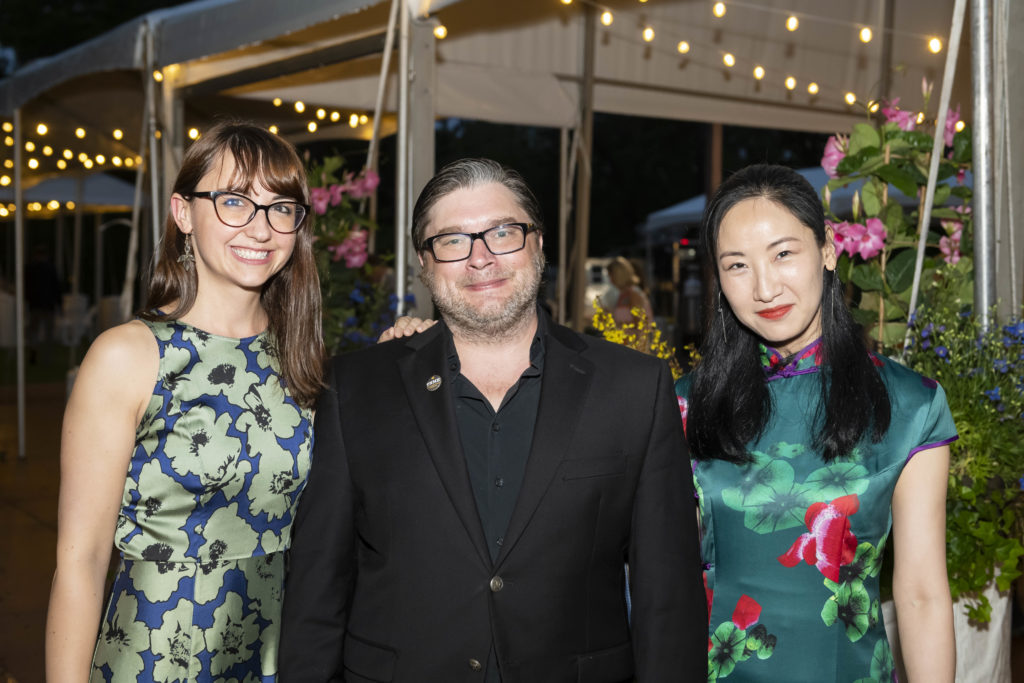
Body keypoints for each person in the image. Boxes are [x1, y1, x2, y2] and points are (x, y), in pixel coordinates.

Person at [279, 158, 706, 682]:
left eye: (503, 232)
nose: (481, 258)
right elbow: (317, 590)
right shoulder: (355, 388)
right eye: (454, 240)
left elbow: (669, 600)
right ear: (425, 263)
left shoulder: (633, 388)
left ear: (539, 244)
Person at [45, 121, 324, 682]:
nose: (260, 227)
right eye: (234, 201)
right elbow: (81, 561)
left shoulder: (302, 354)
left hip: (276, 657)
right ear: (182, 213)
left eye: (280, 207)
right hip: (153, 658)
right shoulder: (127, 356)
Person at [677, 164, 957, 682]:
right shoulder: (685, 406)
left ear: (827, 249)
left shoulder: (910, 406)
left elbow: (920, 594)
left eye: (784, 254)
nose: (765, 288)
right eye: (737, 266)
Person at [607, 256, 654, 326]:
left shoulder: (633, 293)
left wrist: (615, 325)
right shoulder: (623, 294)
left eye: (610, 276)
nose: (610, 280)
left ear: (618, 275)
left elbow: (639, 323)